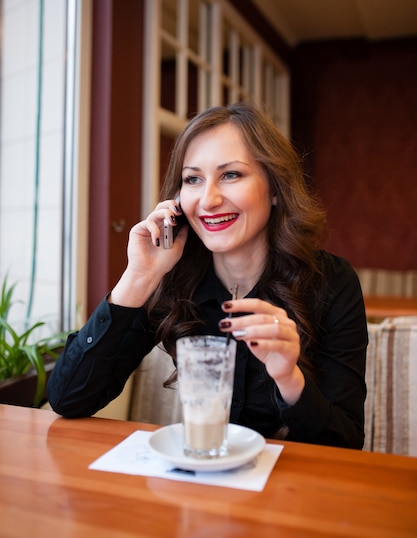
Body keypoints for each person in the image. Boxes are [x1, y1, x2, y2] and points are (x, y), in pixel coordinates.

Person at [47, 103, 368, 449]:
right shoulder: (172, 280)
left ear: (275, 189)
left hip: (290, 493)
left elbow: (346, 444)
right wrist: (138, 276)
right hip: (199, 483)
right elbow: (68, 398)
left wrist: (289, 378)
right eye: (193, 179)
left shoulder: (332, 282)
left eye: (231, 175)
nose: (208, 199)